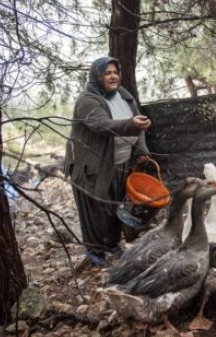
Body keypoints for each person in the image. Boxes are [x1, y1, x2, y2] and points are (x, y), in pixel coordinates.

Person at [64, 56, 151, 268]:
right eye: (107, 73)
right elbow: (103, 125)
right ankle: (95, 251)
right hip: (92, 167)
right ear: (97, 76)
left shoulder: (123, 95)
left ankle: (111, 244)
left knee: (115, 206)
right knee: (95, 209)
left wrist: (141, 150)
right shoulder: (87, 100)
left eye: (115, 72)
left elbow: (137, 123)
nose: (112, 77)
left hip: (121, 163)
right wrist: (131, 124)